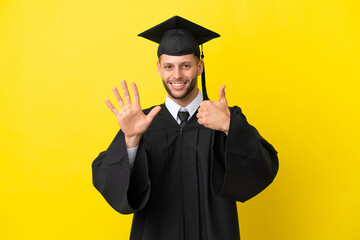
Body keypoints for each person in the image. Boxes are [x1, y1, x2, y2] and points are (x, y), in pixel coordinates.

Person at [92, 16, 279, 240]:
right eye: (169, 66)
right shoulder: (143, 123)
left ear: (199, 66)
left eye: (186, 65)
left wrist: (231, 128)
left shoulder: (225, 118)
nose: (177, 75)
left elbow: (263, 168)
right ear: (159, 68)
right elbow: (110, 184)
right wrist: (131, 140)